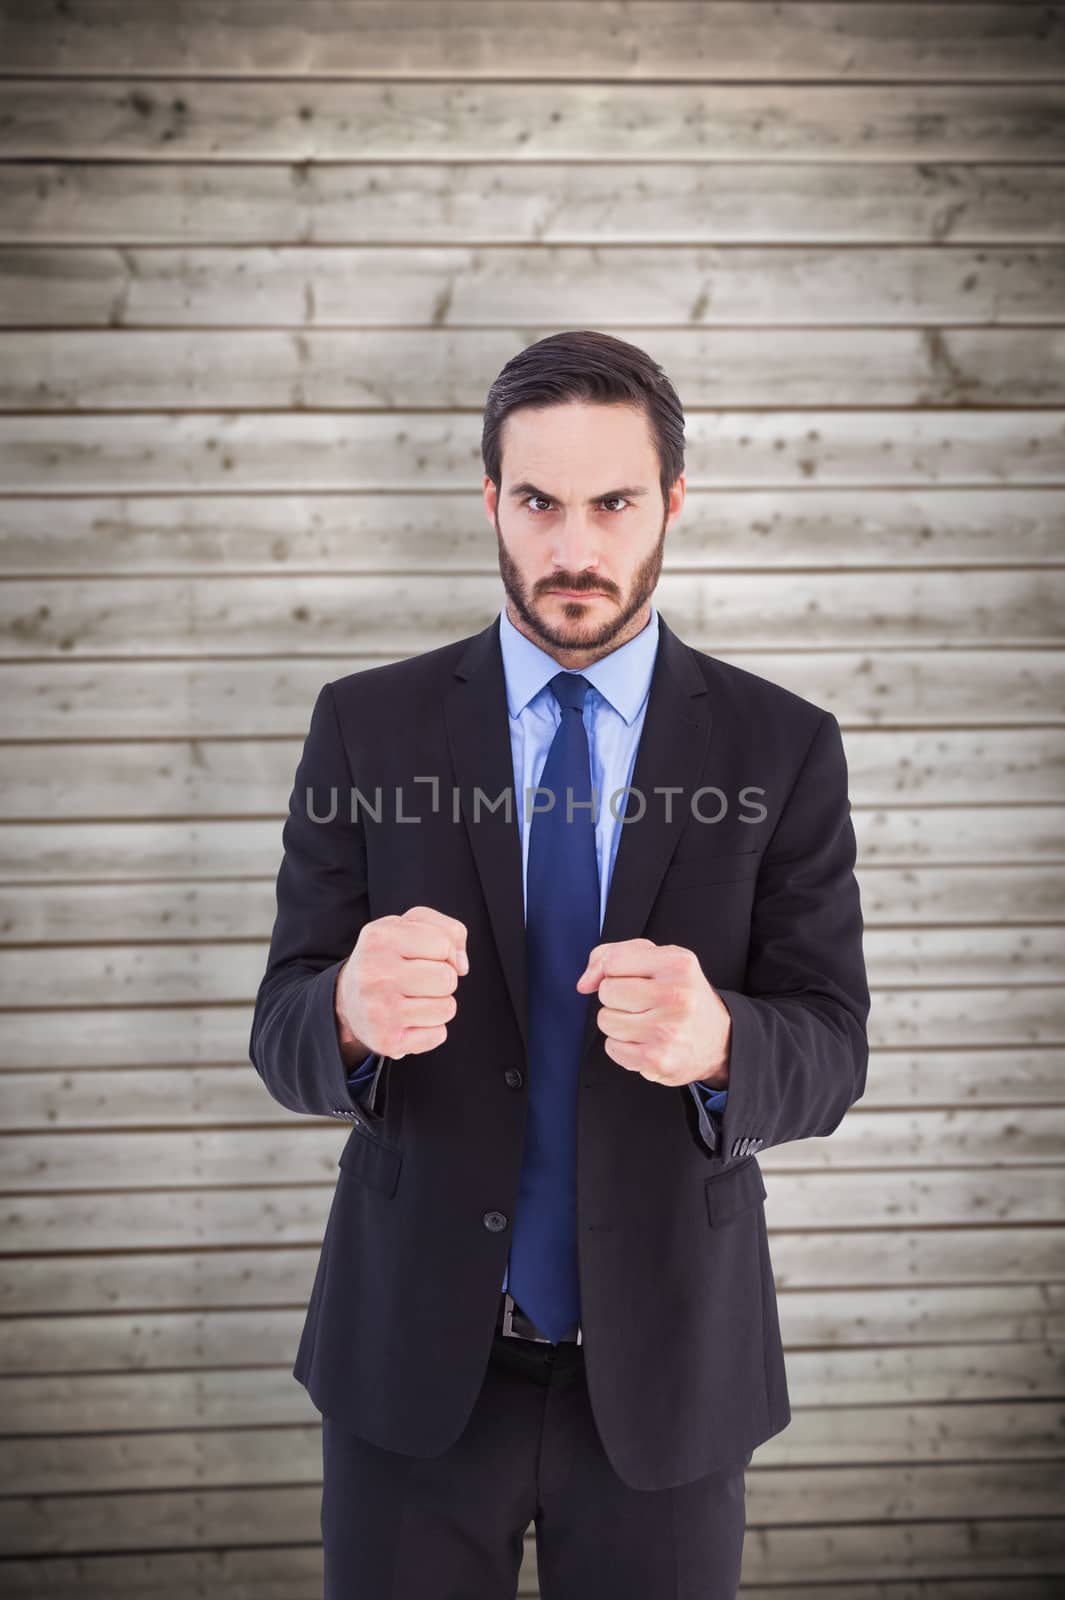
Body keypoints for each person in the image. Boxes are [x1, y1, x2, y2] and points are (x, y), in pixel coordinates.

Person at [249, 329, 870, 1598]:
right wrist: (349, 1015)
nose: (574, 547)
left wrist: (725, 1046)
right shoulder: (366, 724)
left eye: (613, 503)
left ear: (673, 503)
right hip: (414, 1360)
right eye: (536, 501)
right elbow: (282, 1026)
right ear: (489, 499)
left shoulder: (783, 746)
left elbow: (833, 1047)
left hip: (670, 1376)